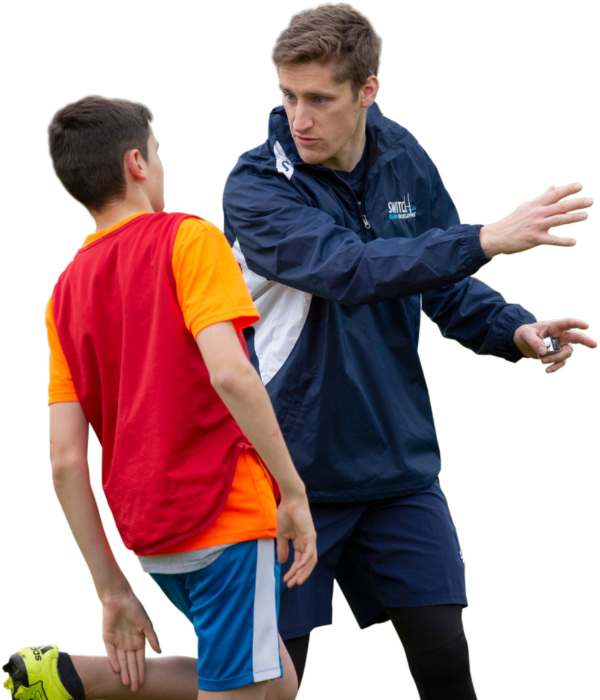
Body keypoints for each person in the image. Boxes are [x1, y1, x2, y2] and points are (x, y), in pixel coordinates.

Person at [218, 4, 597, 699]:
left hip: (396, 466)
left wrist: (513, 330)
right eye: (287, 96)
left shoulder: (402, 157)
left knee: (447, 660)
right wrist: (486, 238)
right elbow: (351, 271)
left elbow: (438, 281)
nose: (299, 117)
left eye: (319, 99)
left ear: (367, 92)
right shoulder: (256, 187)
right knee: (270, 685)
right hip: (285, 477)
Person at [2, 95, 317, 700]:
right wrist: (294, 490)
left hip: (151, 537)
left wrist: (111, 589)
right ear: (137, 164)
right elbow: (230, 374)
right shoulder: (189, 238)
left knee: (274, 682)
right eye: (159, 152)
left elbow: (65, 460)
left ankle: (76, 677)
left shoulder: (62, 292)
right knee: (247, 691)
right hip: (225, 516)